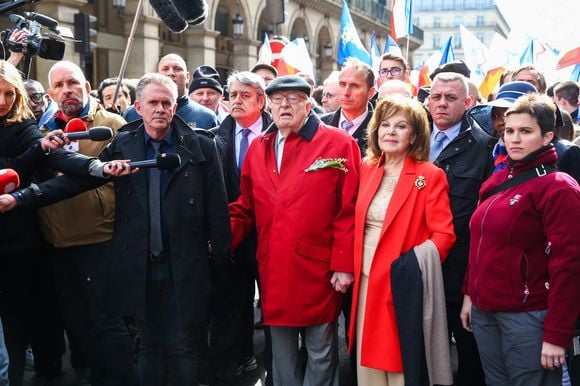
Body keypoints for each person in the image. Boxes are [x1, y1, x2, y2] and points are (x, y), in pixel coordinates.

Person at [1, 72, 232, 386]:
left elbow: (218, 208)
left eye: (167, 103)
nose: (160, 109)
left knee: (182, 346)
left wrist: (218, 257)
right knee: (149, 346)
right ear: (138, 106)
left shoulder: (201, 145)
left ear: (175, 107)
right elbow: (77, 181)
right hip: (140, 265)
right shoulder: (124, 143)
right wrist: (21, 198)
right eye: (153, 102)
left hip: (186, 265)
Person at [229, 75, 361, 386]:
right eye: (277, 99)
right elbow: (245, 208)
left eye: (293, 98)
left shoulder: (339, 143)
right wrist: (216, 239)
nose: (284, 105)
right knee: (281, 353)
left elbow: (349, 209)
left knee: (321, 350)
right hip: (275, 267)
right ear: (268, 105)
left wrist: (343, 264)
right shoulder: (259, 148)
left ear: (307, 103)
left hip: (319, 269)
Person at [460, 93, 580, 386]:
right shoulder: (497, 180)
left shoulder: (558, 188)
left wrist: (556, 334)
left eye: (525, 131)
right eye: (509, 131)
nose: (514, 139)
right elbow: (479, 243)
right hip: (484, 310)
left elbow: (570, 265)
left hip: (529, 316)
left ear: (547, 136)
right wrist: (469, 294)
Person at [38, 60, 134, 386]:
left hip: (101, 239)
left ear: (87, 87)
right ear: (51, 93)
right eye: (60, 85)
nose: (67, 90)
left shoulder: (113, 123)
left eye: (73, 82)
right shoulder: (42, 131)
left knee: (108, 322)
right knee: (77, 325)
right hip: (59, 243)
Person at [0, 60, 95, 386]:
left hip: (18, 245)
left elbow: (55, 162)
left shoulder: (26, 129)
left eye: (9, 93)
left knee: (15, 326)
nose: (2, 101)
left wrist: (97, 168)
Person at [349, 96, 456, 386]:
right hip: (365, 280)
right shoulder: (366, 167)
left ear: (414, 135)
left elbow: (444, 235)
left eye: (400, 126)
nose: (391, 132)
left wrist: (409, 266)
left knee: (398, 361)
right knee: (366, 362)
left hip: (401, 282)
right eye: (385, 125)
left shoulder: (429, 175)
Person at [428, 72, 494, 386]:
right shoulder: (412, 135)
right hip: (417, 268)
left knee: (468, 358)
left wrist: (471, 286)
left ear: (467, 103)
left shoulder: (485, 147)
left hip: (458, 272)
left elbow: (484, 223)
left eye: (450, 98)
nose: (441, 104)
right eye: (436, 97)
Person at [210, 71, 271, 385]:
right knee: (233, 302)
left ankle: (276, 364)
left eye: (245, 95)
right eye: (232, 95)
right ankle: (240, 357)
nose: (237, 100)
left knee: (272, 305)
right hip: (231, 233)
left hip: (269, 234)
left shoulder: (278, 134)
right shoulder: (214, 136)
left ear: (261, 101)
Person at [123, 54, 218, 129]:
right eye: (165, 69)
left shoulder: (206, 117)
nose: (171, 73)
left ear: (188, 77)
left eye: (177, 69)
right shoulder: (132, 113)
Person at [321, 58, 375, 153]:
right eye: (342, 84)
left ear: (370, 93)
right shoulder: (320, 124)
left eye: (354, 86)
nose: (346, 92)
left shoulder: (380, 129)